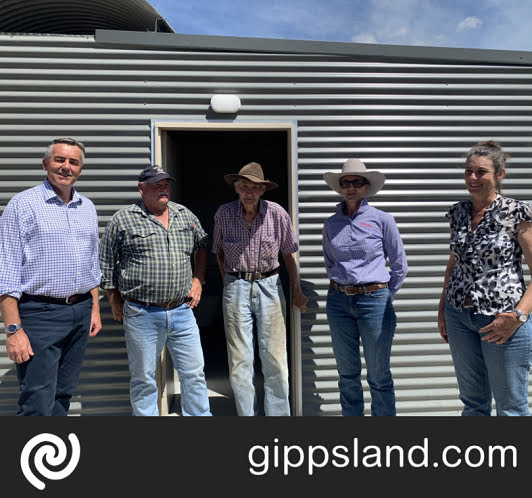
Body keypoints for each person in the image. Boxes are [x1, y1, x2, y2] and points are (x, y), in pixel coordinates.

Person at [0, 137, 102, 416]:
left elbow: (91, 265)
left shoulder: (87, 207)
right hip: (40, 314)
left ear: (80, 169)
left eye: (74, 162)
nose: (66, 167)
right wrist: (13, 330)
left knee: (62, 395)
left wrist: (94, 309)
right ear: (46, 163)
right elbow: (6, 273)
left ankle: (55, 456)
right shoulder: (22, 205)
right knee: (37, 401)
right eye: (60, 160)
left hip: (80, 312)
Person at [99, 165, 211, 416]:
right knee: (144, 378)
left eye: (166, 184)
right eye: (156, 184)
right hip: (141, 313)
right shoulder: (123, 219)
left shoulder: (185, 215)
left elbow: (202, 244)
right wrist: (113, 297)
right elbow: (105, 259)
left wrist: (198, 279)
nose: (163, 188)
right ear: (142, 188)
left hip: (182, 311)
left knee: (194, 373)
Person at [438, 140, 532, 416]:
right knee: (473, 403)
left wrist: (518, 316)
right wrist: (443, 309)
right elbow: (453, 265)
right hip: (459, 316)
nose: (472, 178)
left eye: (481, 172)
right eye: (468, 171)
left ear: (499, 175)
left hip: (501, 319)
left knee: (511, 407)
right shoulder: (458, 212)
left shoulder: (516, 212)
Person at [213, 162, 308, 416]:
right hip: (236, 285)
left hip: (269, 285)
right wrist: (229, 283)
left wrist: (296, 289)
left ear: (263, 190)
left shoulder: (277, 213)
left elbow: (288, 255)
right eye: (244, 187)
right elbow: (219, 253)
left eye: (255, 188)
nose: (249, 192)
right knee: (240, 360)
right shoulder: (223, 214)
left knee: (275, 358)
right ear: (236, 187)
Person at [322, 158, 407, 416]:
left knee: (379, 374)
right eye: (346, 182)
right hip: (338, 302)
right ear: (340, 187)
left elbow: (400, 265)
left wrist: (382, 294)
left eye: (357, 182)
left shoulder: (382, 220)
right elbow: (329, 262)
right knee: (347, 374)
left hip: (374, 301)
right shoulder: (331, 223)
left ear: (366, 187)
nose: (351, 187)